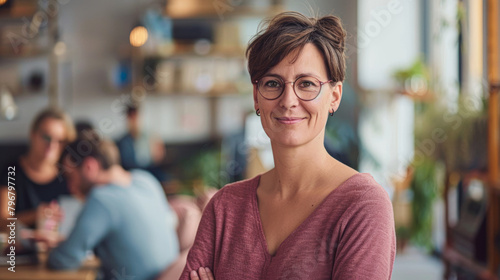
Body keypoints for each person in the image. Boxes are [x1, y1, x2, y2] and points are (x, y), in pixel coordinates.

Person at [182, 11, 396, 280]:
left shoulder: (362, 205)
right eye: (273, 83)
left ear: (334, 96)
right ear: (256, 98)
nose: (288, 100)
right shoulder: (224, 207)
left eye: (306, 84)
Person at [47, 134, 179, 280]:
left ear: (89, 167)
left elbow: (63, 260)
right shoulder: (146, 180)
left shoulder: (102, 199)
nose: (71, 188)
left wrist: (50, 249)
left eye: (71, 177)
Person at [0, 107, 76, 228]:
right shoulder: (12, 171)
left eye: (60, 141)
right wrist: (35, 215)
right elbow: (3, 222)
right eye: (46, 137)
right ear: (33, 134)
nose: (51, 145)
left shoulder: (68, 175)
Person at [116, 104, 168, 182]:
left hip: (149, 171)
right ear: (127, 119)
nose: (134, 121)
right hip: (130, 173)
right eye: (131, 117)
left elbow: (158, 158)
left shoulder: (152, 137)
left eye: (135, 117)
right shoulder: (122, 142)